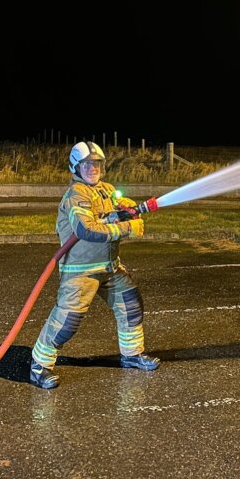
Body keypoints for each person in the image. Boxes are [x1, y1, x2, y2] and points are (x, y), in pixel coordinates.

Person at [30, 140, 160, 389]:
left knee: (131, 305)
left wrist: (129, 208)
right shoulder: (75, 195)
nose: (93, 168)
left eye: (97, 163)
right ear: (75, 168)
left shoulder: (106, 190)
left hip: (110, 267)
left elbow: (114, 207)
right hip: (81, 272)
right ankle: (39, 366)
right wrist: (127, 227)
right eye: (87, 164)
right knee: (66, 322)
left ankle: (132, 355)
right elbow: (85, 229)